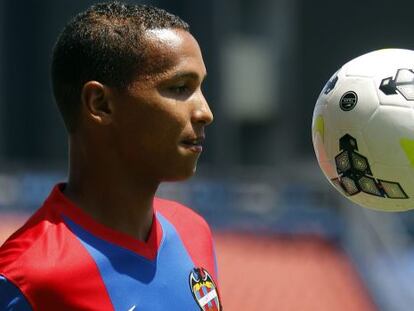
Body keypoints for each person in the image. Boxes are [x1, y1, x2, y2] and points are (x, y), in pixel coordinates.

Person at [0, 2, 221, 310]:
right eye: (180, 88)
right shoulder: (25, 280)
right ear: (100, 104)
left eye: (200, 88)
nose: (205, 112)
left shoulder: (193, 231)